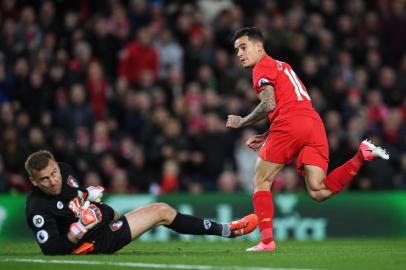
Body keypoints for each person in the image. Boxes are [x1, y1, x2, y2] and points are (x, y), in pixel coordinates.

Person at [226, 27, 389, 252]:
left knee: (261, 181)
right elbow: (290, 102)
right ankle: (361, 155)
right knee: (318, 190)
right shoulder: (283, 66)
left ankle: (266, 241)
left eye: (243, 47)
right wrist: (268, 133)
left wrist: (242, 122)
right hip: (313, 123)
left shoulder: (260, 68)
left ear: (259, 46)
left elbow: (269, 104)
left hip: (290, 123)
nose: (240, 54)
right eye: (236, 50)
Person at [25, 150, 257, 255]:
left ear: (57, 165)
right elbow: (50, 249)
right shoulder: (37, 208)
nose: (53, 181)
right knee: (161, 211)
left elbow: (72, 198)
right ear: (33, 182)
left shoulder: (66, 170)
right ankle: (227, 230)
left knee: (117, 212)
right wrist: (77, 230)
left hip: (97, 224)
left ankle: (226, 229)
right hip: (88, 243)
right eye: (44, 179)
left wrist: (86, 194)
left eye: (54, 172)